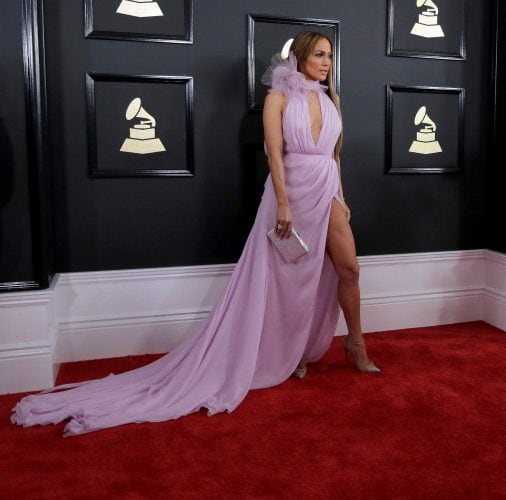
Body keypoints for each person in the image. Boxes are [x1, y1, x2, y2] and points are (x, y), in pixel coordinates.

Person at [11, 31, 378, 437]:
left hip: (327, 192)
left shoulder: (333, 100)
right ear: (301, 58)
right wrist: (284, 204)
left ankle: (355, 342)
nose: (327, 63)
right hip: (289, 195)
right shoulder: (278, 99)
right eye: (319, 55)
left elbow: (335, 155)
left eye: (330, 55)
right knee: (287, 280)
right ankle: (290, 354)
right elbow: (274, 154)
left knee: (349, 268)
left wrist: (341, 196)